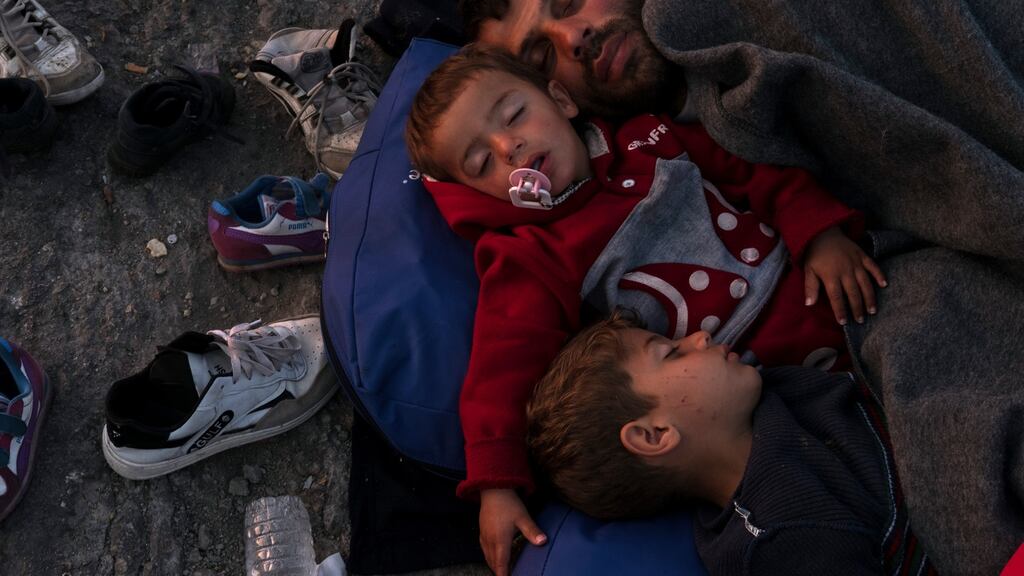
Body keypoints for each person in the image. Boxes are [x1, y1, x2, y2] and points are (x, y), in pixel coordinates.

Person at [405, 47, 887, 575]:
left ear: (560, 98)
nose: (508, 145)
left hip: (839, 292)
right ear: (479, 194)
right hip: (769, 382)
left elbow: (755, 171)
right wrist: (498, 482)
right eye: (482, 162)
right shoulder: (531, 256)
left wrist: (817, 233)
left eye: (514, 114)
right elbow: (504, 361)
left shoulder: (650, 137)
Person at [525, 311, 936, 575]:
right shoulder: (780, 534)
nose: (700, 336)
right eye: (671, 353)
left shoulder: (767, 396)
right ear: (655, 435)